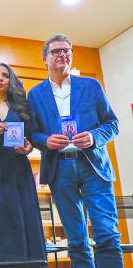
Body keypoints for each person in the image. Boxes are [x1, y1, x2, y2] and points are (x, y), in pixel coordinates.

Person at [28, 34, 122, 267]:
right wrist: (46, 141)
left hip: (94, 166)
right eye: (56, 51)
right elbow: (33, 132)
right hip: (60, 169)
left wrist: (93, 136)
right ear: (44, 59)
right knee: (76, 239)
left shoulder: (91, 86)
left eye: (67, 50)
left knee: (106, 233)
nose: (62, 54)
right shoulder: (35, 94)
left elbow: (112, 124)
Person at [0, 62, 46, 262]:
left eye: (5, 75)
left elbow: (32, 137)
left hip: (18, 169)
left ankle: (27, 262)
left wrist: (29, 147)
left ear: (10, 81)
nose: (0, 78)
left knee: (23, 217)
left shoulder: (22, 107)